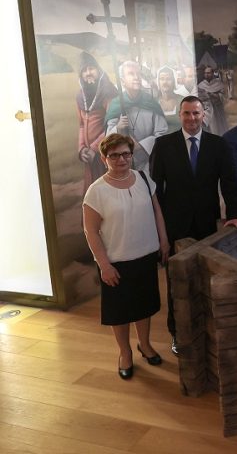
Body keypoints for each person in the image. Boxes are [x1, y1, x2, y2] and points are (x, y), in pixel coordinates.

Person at [149, 95, 237, 354]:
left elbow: (230, 183)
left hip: (207, 225)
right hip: (175, 226)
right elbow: (156, 191)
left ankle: (205, 329)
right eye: (187, 113)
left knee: (205, 277)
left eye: (196, 113)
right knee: (176, 281)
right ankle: (177, 332)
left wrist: (235, 215)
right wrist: (160, 232)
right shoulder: (164, 145)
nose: (192, 118)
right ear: (179, 115)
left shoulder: (218, 145)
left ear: (204, 115)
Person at [83, 134, 170, 379]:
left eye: (125, 154)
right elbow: (90, 231)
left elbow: (157, 211)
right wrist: (104, 265)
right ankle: (125, 352)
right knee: (119, 311)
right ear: (104, 158)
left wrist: (163, 240)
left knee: (144, 306)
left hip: (145, 255)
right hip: (116, 262)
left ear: (131, 155)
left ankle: (145, 344)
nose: (121, 159)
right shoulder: (96, 191)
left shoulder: (143, 178)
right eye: (114, 155)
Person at [105, 60, 168, 172]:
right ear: (122, 81)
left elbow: (162, 134)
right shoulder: (116, 105)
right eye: (131, 74)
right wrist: (118, 128)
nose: (136, 77)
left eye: (138, 74)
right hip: (123, 164)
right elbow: (107, 139)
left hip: (149, 163)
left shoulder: (151, 102)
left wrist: (141, 145)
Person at [76, 51, 117, 193]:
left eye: (91, 68)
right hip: (89, 155)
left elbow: (112, 125)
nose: (88, 73)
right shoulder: (80, 96)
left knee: (107, 192)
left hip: (105, 151)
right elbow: (82, 125)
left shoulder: (108, 91)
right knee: (92, 192)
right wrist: (82, 148)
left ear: (98, 70)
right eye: (84, 70)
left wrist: (94, 148)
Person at [197, 65, 228, 135]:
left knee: (219, 127)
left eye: (208, 73)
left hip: (218, 109)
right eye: (205, 73)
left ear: (212, 73)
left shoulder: (219, 84)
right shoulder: (201, 85)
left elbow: (224, 96)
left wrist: (214, 95)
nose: (206, 75)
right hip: (206, 110)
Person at [156, 65, 182, 133]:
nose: (165, 82)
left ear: (174, 81)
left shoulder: (182, 101)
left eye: (168, 79)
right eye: (162, 79)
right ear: (158, 82)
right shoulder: (154, 102)